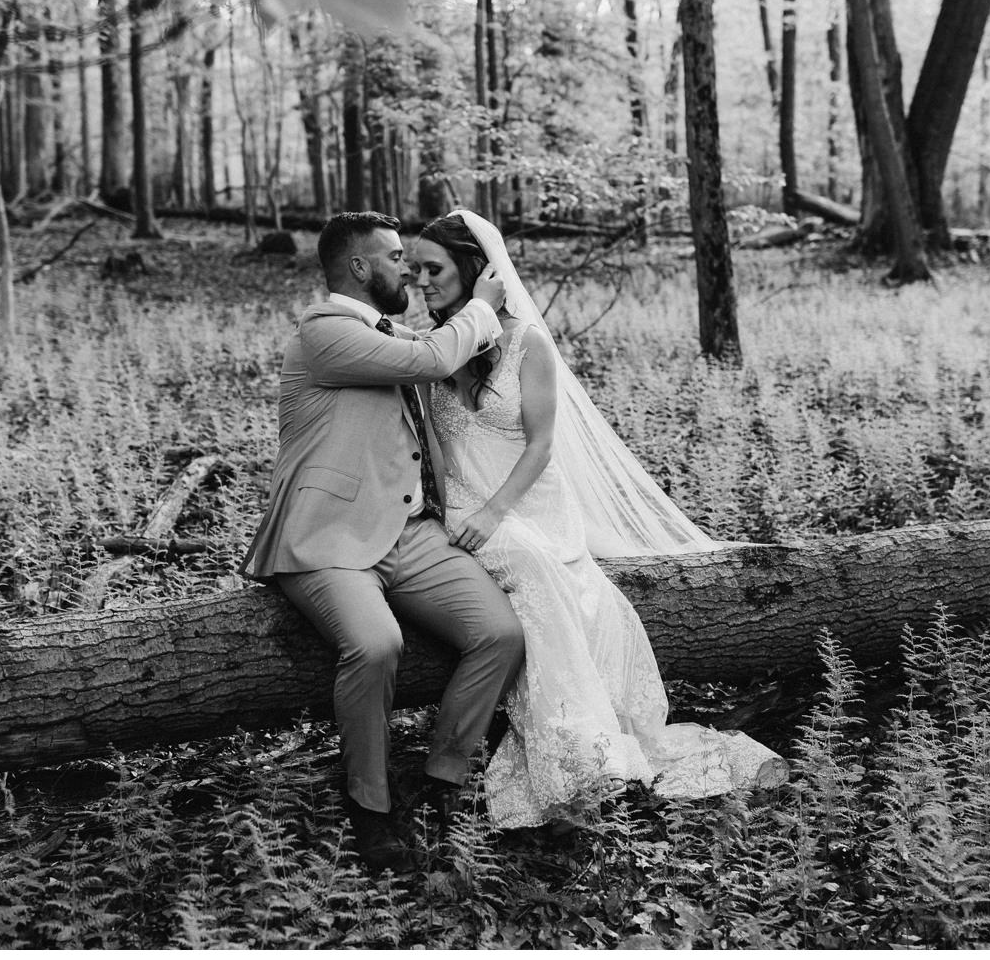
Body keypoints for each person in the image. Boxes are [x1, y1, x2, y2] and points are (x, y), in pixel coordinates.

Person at [410, 209, 786, 829]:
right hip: (465, 501)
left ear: (476, 270)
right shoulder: (433, 349)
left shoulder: (526, 343)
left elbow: (540, 446)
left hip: (527, 500)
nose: (422, 281)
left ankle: (583, 752)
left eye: (434, 268)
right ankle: (578, 750)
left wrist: (496, 512)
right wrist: (455, 511)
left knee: (547, 570)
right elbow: (436, 448)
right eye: (415, 269)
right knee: (530, 568)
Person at [241, 211, 526, 872]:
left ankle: (445, 776)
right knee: (375, 645)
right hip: (327, 536)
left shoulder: (386, 330)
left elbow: (450, 364)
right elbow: (433, 358)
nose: (408, 269)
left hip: (410, 530)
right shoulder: (324, 332)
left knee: (500, 634)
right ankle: (369, 808)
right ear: (359, 266)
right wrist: (481, 307)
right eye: (396, 257)